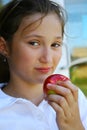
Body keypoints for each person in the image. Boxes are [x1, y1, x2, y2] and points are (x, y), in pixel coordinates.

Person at [0, 0, 87, 130]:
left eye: (55, 44)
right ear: (4, 47)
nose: (47, 58)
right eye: (34, 43)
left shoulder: (73, 98)